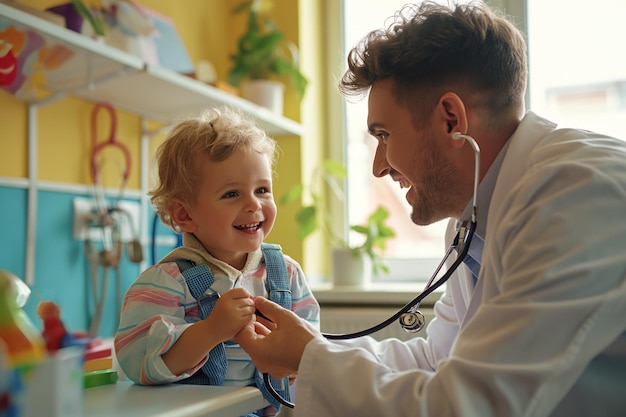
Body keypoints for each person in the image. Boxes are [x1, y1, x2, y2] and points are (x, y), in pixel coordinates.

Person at [235, 1, 626, 416]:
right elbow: (439, 359)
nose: (378, 165)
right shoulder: (474, 219)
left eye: (384, 135)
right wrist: (312, 348)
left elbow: (469, 406)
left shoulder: (573, 195)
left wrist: (309, 359)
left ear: (452, 121)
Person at [114, 107, 320, 417]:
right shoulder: (167, 281)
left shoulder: (286, 273)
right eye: (232, 194)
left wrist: (300, 365)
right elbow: (137, 362)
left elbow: (311, 342)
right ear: (185, 214)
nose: (254, 204)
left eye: (262, 190)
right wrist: (212, 330)